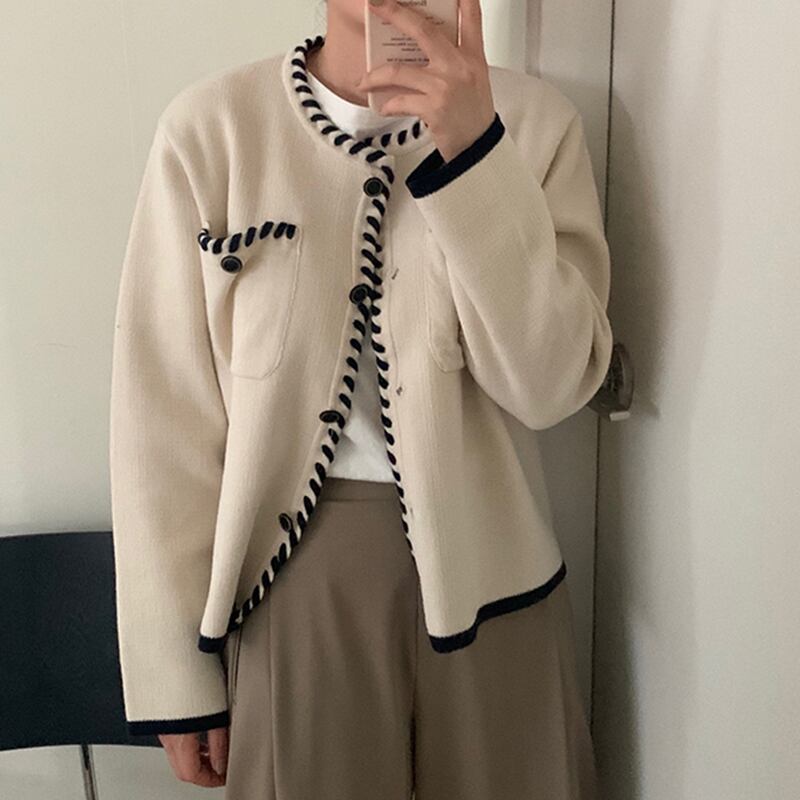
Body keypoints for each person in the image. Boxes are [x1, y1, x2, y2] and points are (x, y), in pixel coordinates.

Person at [109, 0, 613, 797]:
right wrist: (176, 673)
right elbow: (162, 422)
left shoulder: (536, 125)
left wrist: (475, 150)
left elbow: (551, 385)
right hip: (293, 584)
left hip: (499, 572)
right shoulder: (213, 131)